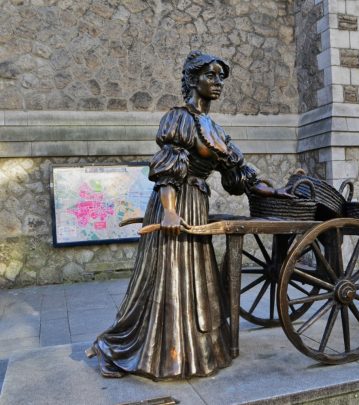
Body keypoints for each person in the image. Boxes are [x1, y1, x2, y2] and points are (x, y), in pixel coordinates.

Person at [86, 50, 291, 380]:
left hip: (197, 204)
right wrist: (168, 211)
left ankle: (194, 353)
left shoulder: (216, 129)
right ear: (192, 79)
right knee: (170, 276)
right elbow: (168, 169)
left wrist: (273, 191)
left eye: (221, 76)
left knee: (194, 276)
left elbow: (238, 176)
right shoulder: (179, 118)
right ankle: (128, 351)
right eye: (211, 75)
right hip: (175, 203)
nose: (218, 82)